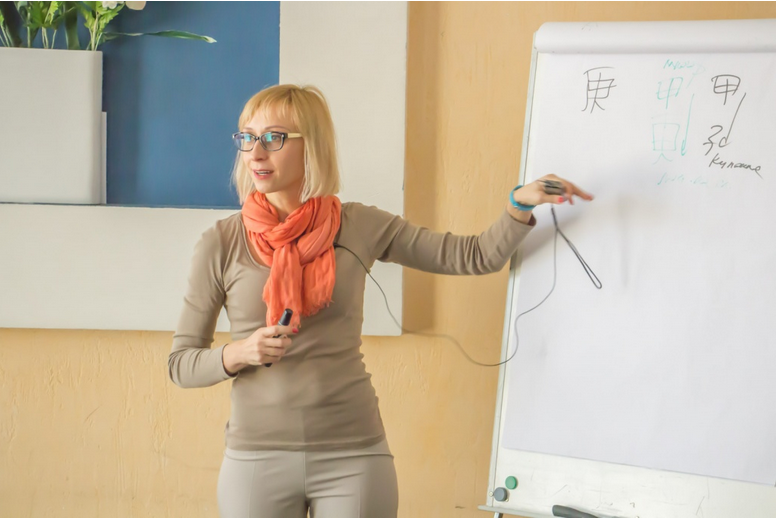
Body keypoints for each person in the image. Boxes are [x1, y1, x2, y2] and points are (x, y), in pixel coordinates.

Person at [167, 84, 593, 518]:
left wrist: (519, 204)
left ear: (311, 145)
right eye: (247, 137)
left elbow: (474, 256)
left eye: (273, 138)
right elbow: (181, 364)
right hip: (255, 461)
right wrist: (241, 352)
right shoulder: (221, 242)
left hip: (353, 457)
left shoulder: (358, 225)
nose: (256, 153)